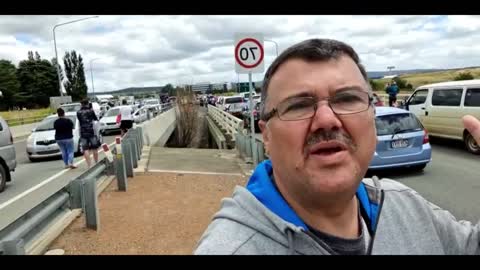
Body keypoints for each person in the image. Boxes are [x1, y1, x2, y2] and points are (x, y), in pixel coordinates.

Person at [194, 38, 480, 255]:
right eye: (299, 105)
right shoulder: (231, 248)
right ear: (266, 136)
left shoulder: (404, 206)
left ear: (372, 115)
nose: (327, 120)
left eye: (346, 99)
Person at [77, 99, 100, 168]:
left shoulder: (78, 112)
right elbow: (96, 119)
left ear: (81, 104)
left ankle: (89, 165)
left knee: (85, 149)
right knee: (94, 148)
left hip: (83, 132)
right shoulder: (91, 111)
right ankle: (96, 162)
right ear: (87, 104)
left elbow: (80, 121)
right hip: (91, 131)